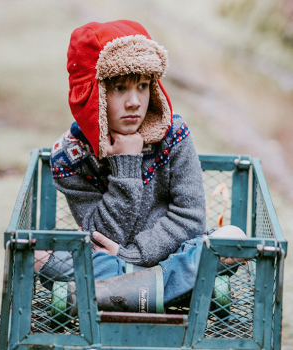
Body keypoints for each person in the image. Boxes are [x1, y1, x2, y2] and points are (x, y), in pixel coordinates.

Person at [36, 20, 246, 312]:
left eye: (144, 86)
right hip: (109, 259)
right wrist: (127, 164)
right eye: (120, 87)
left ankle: (113, 293)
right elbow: (102, 236)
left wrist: (133, 256)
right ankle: (175, 290)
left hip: (169, 254)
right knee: (39, 255)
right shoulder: (72, 157)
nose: (135, 102)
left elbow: (190, 219)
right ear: (92, 92)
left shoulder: (174, 134)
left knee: (234, 238)